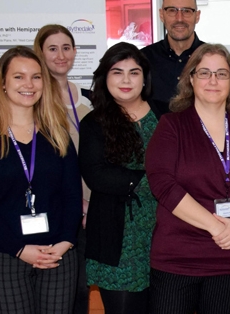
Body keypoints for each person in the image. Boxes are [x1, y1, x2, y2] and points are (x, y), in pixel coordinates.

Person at [145, 43, 230, 314]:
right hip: (178, 260)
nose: (213, 80)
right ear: (190, 79)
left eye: (222, 74)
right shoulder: (171, 126)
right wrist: (216, 227)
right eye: (204, 73)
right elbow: (162, 184)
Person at [0, 46, 82, 313]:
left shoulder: (57, 135)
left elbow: (72, 196)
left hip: (58, 253)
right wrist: (19, 249)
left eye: (36, 77)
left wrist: (64, 242)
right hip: (5, 254)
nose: (29, 84)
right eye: (19, 77)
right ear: (2, 83)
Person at [79, 43, 158, 313]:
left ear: (144, 78)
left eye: (134, 72)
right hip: (118, 240)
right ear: (105, 77)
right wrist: (157, 181)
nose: (126, 80)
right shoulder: (94, 122)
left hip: (165, 234)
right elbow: (96, 174)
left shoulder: (167, 115)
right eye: (117, 72)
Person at [33, 24, 93, 313]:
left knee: (78, 291)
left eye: (66, 48)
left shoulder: (89, 100)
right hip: (53, 211)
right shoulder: (31, 100)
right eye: (52, 48)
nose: (60, 55)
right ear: (40, 53)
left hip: (87, 212)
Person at [141, 0, 206, 113]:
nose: (179, 18)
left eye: (186, 11)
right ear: (161, 15)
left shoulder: (211, 59)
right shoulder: (142, 59)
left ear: (197, 16)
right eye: (172, 10)